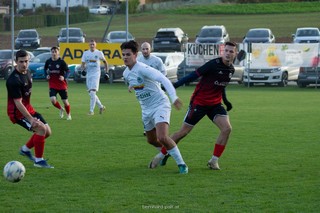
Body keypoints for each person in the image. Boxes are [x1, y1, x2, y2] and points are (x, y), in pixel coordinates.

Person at [156, 41, 239, 170]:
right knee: (183, 133)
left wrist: (226, 101)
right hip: (199, 103)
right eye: (226, 51)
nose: (228, 53)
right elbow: (192, 76)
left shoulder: (231, 69)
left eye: (231, 51)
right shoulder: (212, 65)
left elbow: (221, 86)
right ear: (223, 52)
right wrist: (172, 87)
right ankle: (161, 155)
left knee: (227, 129)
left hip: (215, 105)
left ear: (235, 53)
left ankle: (214, 161)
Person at [121, 40, 188, 174]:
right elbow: (136, 82)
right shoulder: (126, 73)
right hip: (146, 109)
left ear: (135, 55)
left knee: (162, 137)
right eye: (123, 55)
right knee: (151, 140)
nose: (125, 57)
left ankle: (182, 165)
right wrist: (131, 86)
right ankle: (166, 153)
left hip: (160, 105)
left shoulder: (143, 68)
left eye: (128, 54)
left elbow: (164, 80)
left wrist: (173, 97)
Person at [6, 49, 54, 168]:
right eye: (21, 61)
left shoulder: (28, 72)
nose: (24, 64)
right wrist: (31, 119)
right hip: (18, 113)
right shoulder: (13, 80)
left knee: (47, 132)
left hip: (28, 108)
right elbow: (18, 103)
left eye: (26, 61)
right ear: (16, 62)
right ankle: (38, 161)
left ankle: (25, 149)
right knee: (41, 129)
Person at [137, 41, 166, 136]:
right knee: (145, 108)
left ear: (151, 49)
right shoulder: (138, 60)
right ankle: (147, 129)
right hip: (143, 89)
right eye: (143, 49)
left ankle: (157, 127)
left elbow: (163, 73)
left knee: (156, 108)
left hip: (155, 89)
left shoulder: (157, 60)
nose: (145, 51)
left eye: (147, 49)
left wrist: (158, 82)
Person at [81, 39, 108, 115]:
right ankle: (101, 106)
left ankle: (91, 111)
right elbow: (83, 63)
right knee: (91, 93)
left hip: (96, 74)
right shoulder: (86, 53)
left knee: (93, 92)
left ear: (95, 45)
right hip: (89, 74)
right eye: (91, 44)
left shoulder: (99, 53)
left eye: (93, 44)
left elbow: (105, 62)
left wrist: (107, 72)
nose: (92, 46)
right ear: (89, 45)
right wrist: (83, 69)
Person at [44, 46, 72, 120]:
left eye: (55, 52)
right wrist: (46, 75)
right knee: (53, 100)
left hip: (62, 84)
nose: (54, 53)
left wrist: (64, 77)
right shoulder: (48, 61)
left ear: (58, 52)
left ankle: (68, 114)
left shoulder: (61, 62)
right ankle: (60, 109)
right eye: (52, 52)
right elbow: (45, 69)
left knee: (65, 101)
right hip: (52, 84)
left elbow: (68, 71)